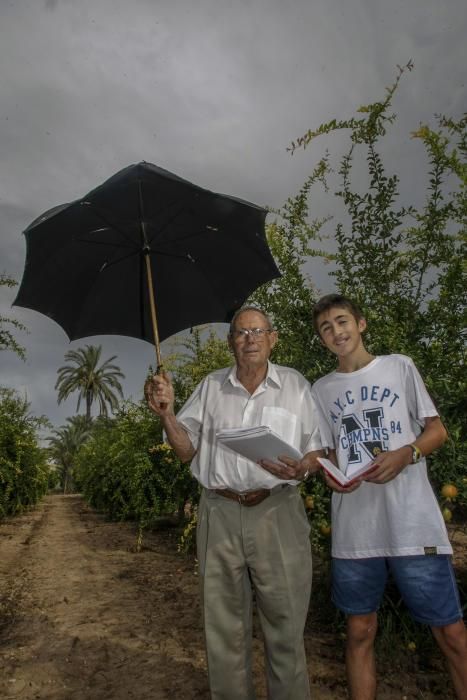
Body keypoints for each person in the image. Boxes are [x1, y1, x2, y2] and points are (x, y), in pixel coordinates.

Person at [145, 306, 322, 700]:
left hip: (279, 512)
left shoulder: (296, 386)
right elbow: (186, 451)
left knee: (287, 624)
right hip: (219, 512)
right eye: (241, 333)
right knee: (223, 628)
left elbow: (319, 449)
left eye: (258, 331)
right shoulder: (210, 387)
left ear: (273, 338)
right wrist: (168, 414)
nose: (250, 339)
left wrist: (304, 468)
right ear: (230, 342)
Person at [310, 293, 467, 700]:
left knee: (450, 631)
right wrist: (332, 477)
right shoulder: (321, 390)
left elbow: (436, 430)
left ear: (361, 324)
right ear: (321, 339)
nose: (336, 331)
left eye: (342, 321)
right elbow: (329, 454)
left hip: (413, 523)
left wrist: (407, 453)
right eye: (326, 327)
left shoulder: (399, 367)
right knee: (359, 631)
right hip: (355, 530)